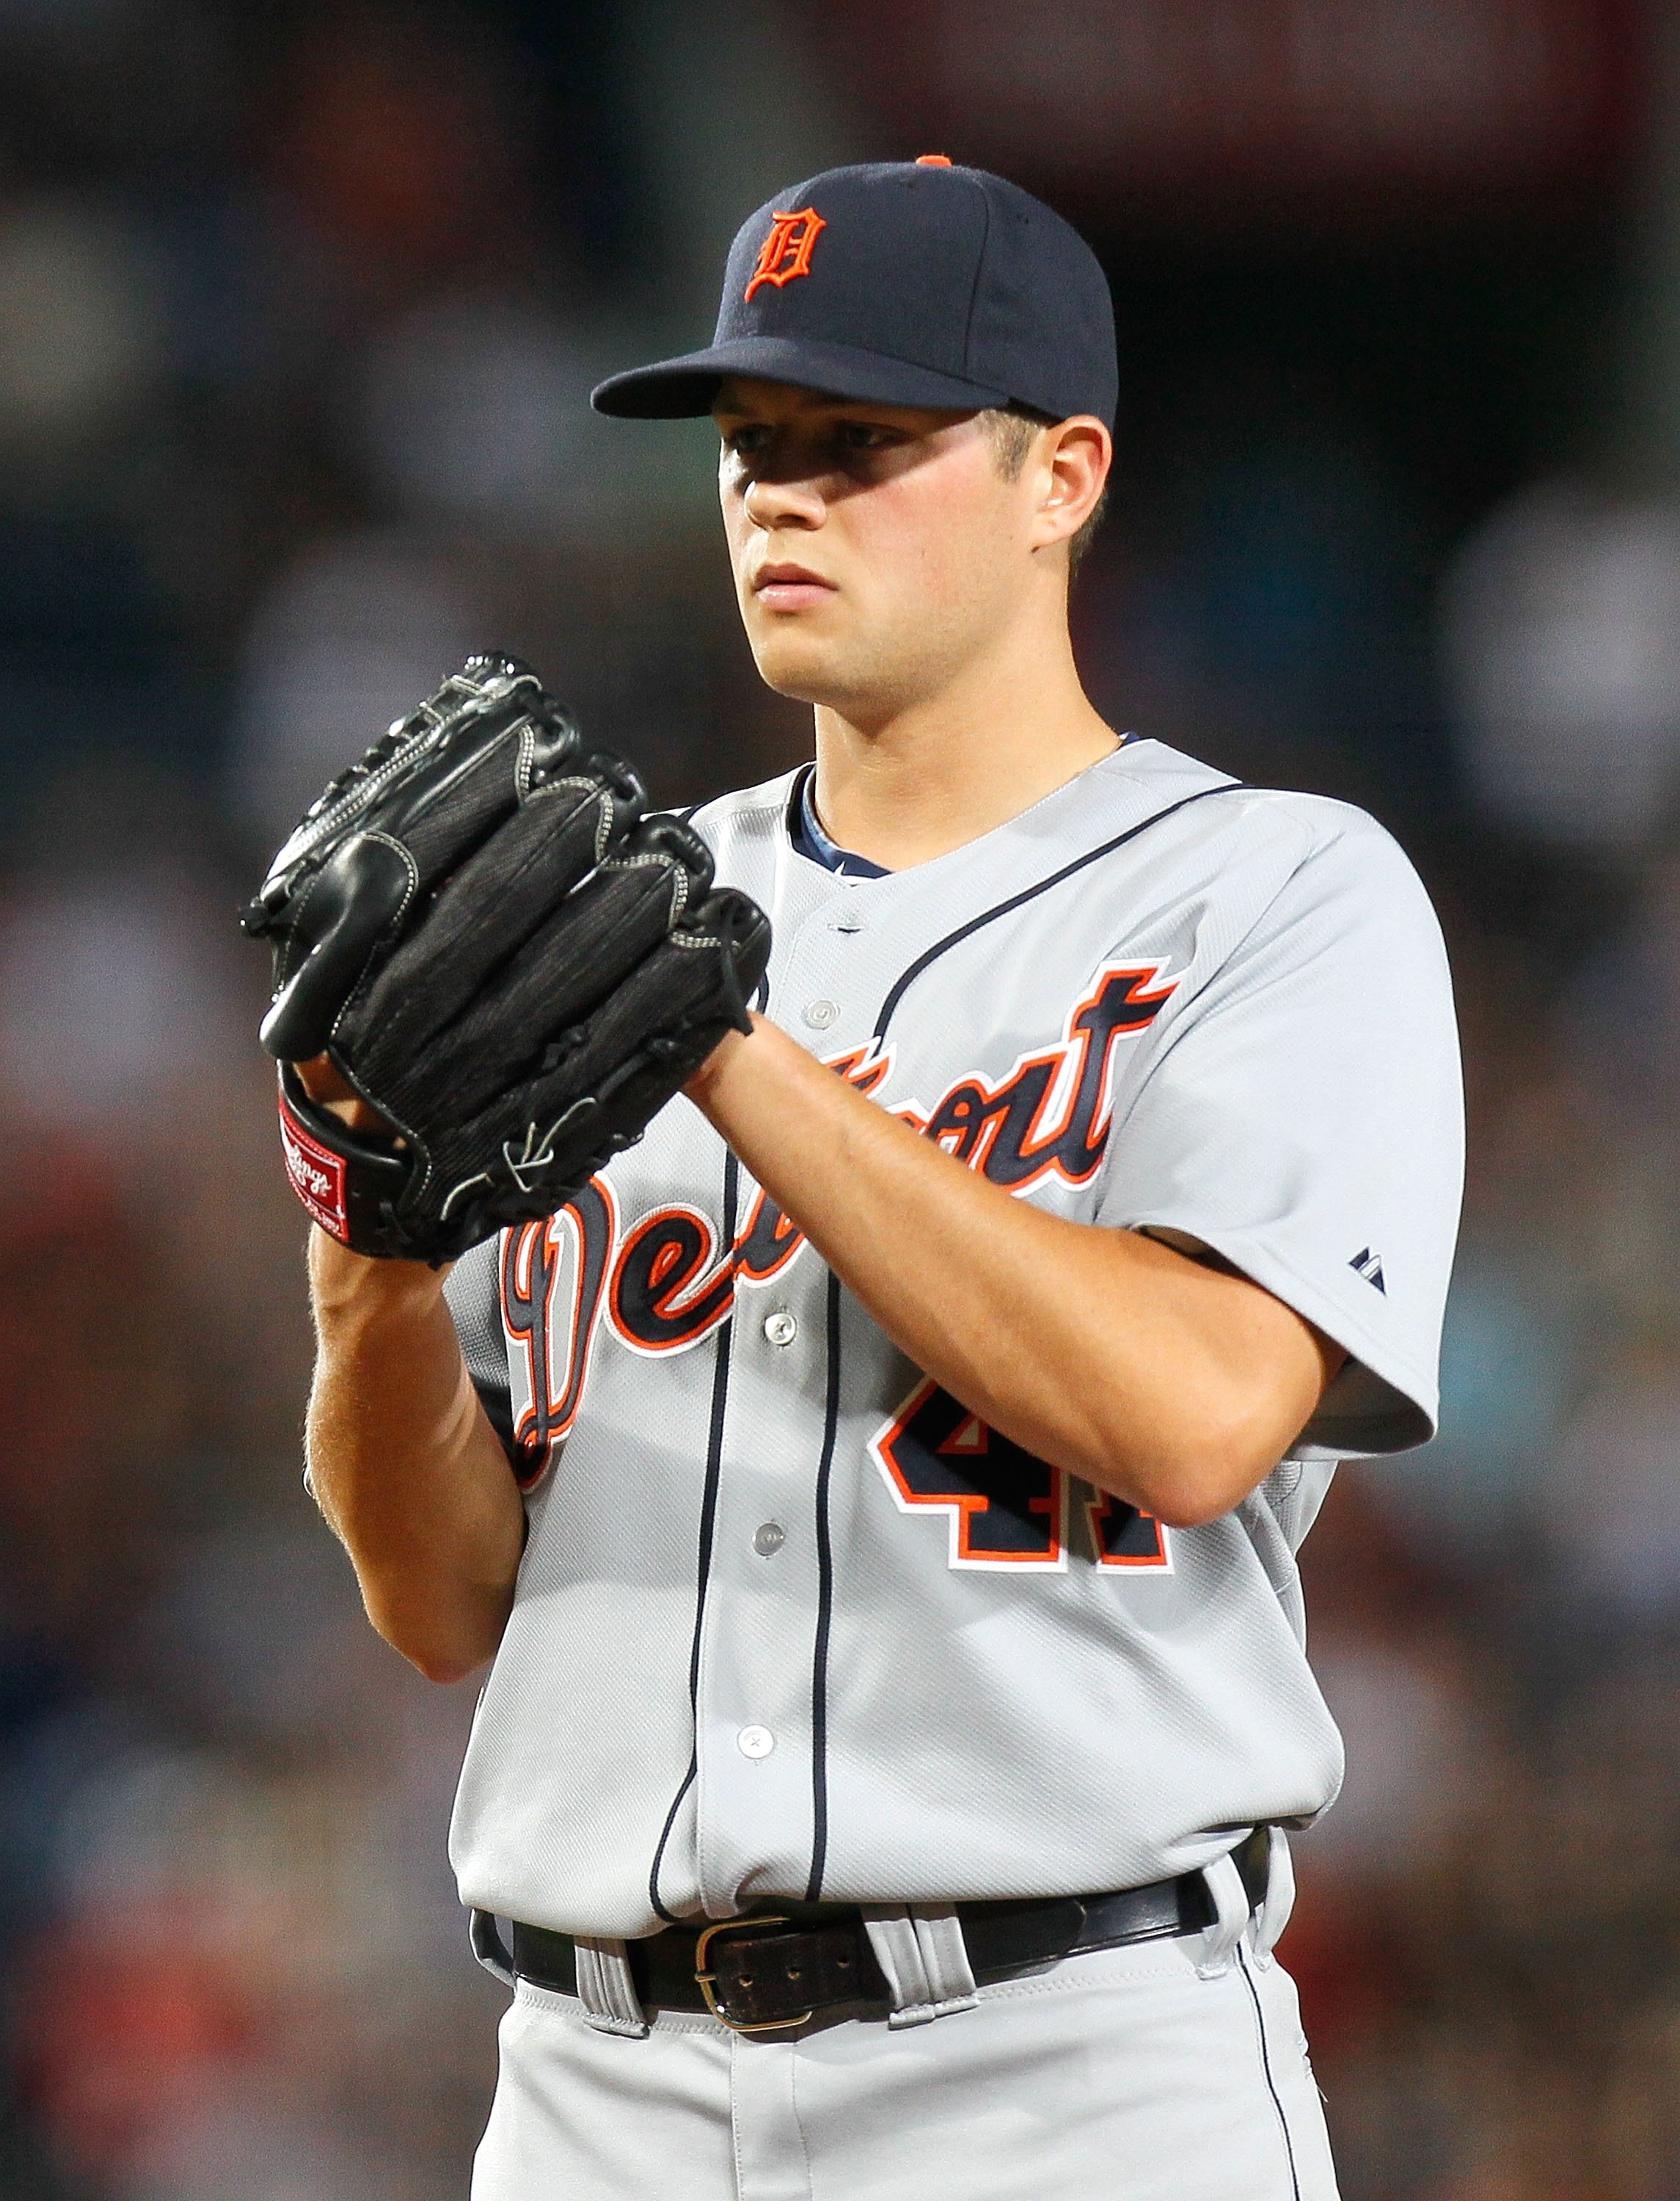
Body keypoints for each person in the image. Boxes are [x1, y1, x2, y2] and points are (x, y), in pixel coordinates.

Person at [298, 160, 1463, 2200]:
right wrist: (367, 1259)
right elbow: (437, 1598)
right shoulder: (595, 911)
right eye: (753, 448)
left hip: (1065, 2078)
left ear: (1060, 476)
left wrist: (726, 1050)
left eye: (865, 442)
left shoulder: (1269, 892)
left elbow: (1194, 1419)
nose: (782, 495)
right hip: (591, 2094)